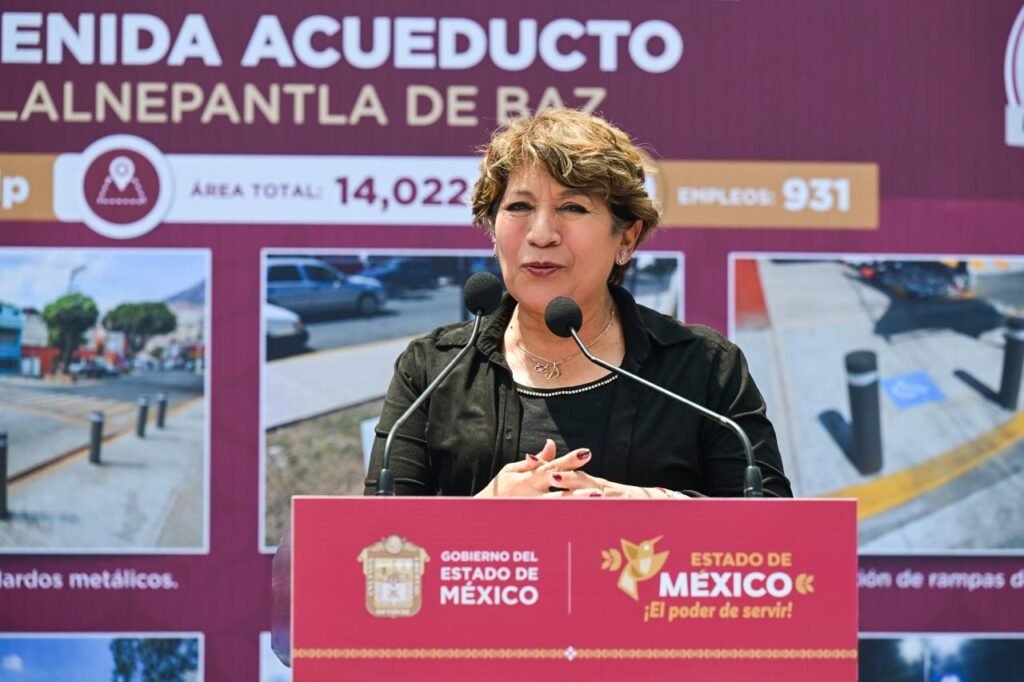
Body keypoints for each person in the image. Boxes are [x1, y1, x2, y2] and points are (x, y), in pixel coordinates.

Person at [363, 108, 791, 499]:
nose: (541, 234)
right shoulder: (433, 369)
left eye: (572, 207)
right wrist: (486, 515)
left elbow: (775, 532)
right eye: (519, 206)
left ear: (626, 238)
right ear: (493, 232)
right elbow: (377, 542)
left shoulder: (703, 366)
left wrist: (647, 509)